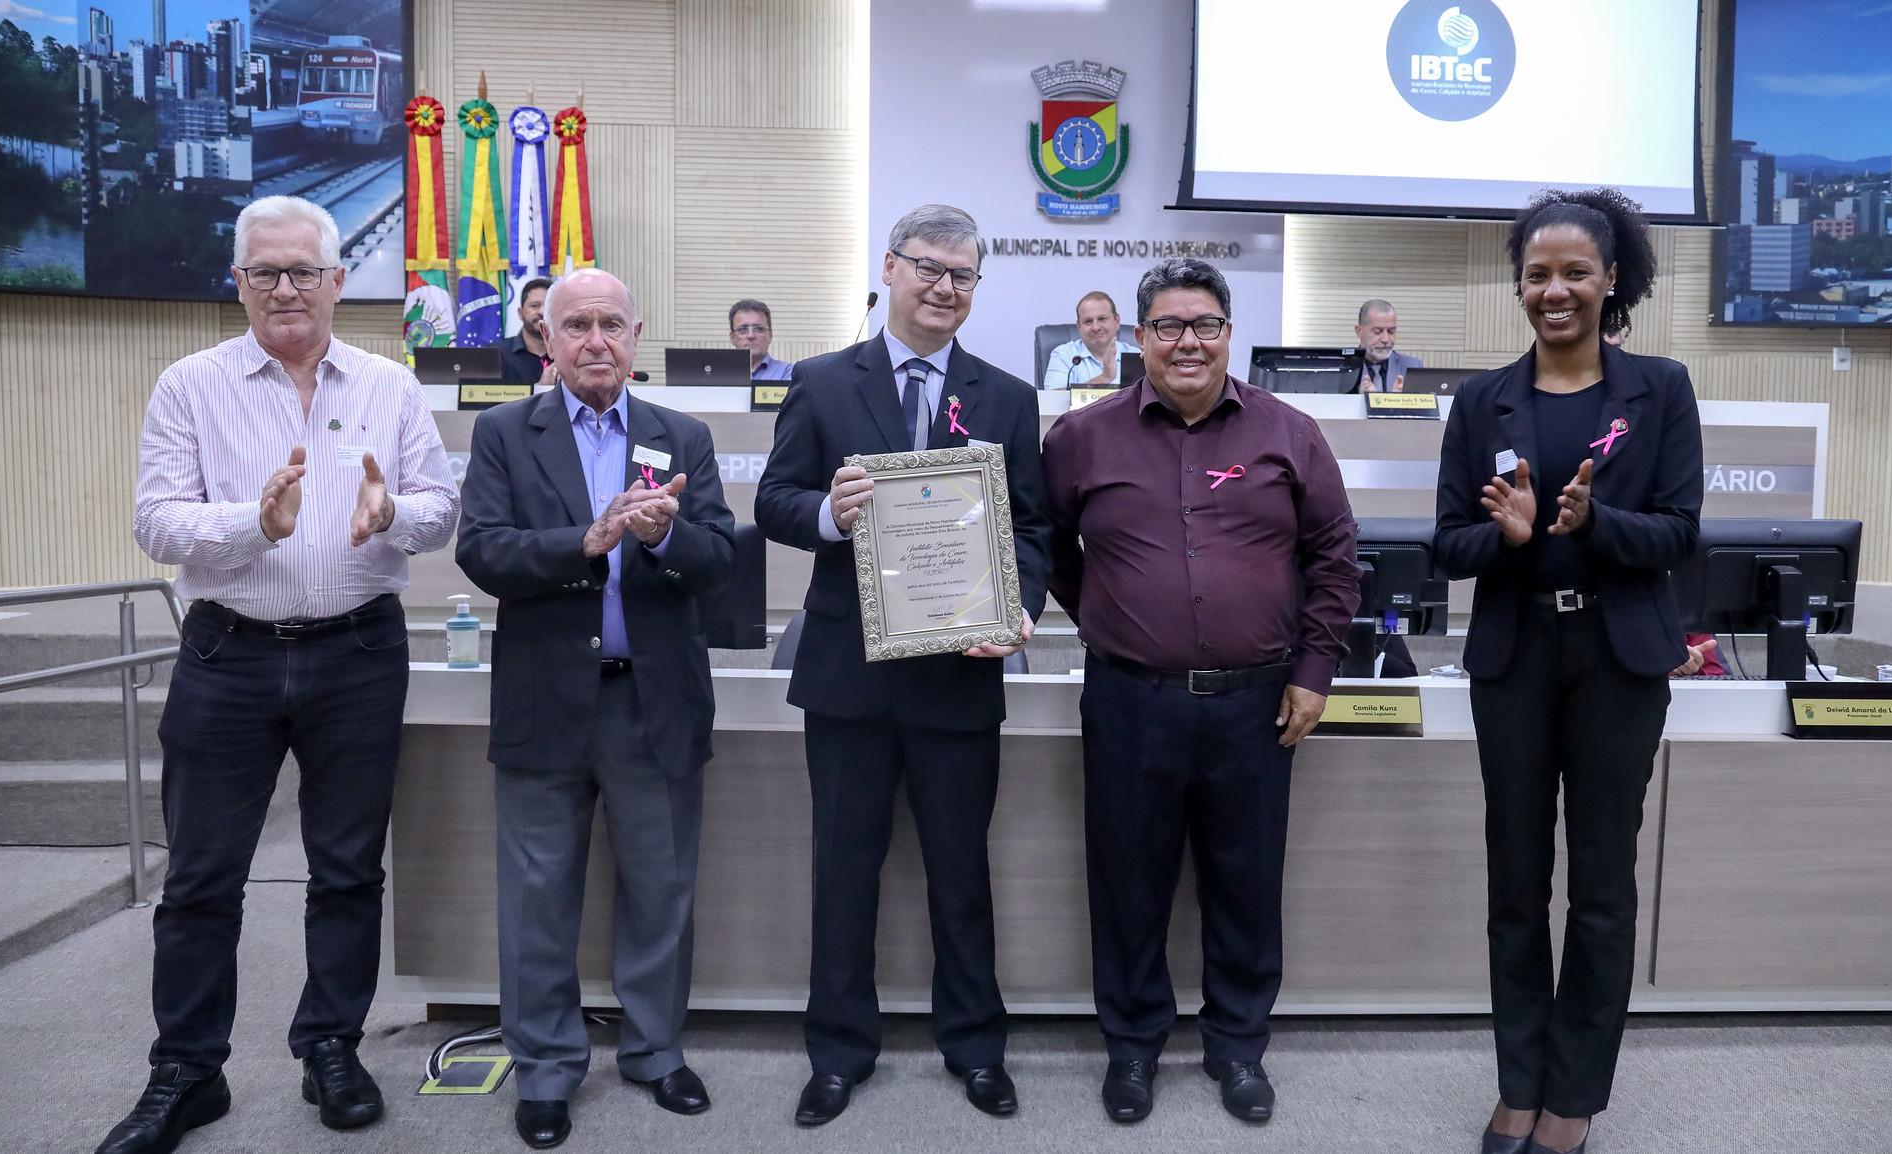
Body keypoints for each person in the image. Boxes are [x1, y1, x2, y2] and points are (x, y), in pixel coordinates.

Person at [108, 195, 459, 1154]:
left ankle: (330, 1046)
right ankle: (187, 1070)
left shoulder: (389, 385)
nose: (285, 288)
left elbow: (439, 507)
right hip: (228, 654)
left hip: (359, 653)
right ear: (238, 282)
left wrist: (392, 514)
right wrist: (251, 524)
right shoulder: (190, 384)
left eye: (303, 270)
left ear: (339, 280)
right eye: (264, 272)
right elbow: (156, 522)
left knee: (347, 871)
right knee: (200, 876)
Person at [1043, 258, 1362, 1126]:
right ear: (1139, 336)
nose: (1188, 342)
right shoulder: (1080, 437)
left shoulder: (1289, 433)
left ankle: (1237, 1047)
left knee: (1245, 881)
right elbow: (1052, 547)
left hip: (1255, 706)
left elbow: (1334, 560)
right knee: (1127, 880)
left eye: (1205, 325)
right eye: (1169, 326)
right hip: (1127, 700)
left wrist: (1314, 672)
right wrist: (1111, 613)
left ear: (1228, 332)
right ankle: (1132, 1047)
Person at [755, 203, 1050, 1127]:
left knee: (961, 874)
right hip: (850, 676)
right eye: (929, 267)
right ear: (889, 268)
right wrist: (827, 513)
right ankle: (838, 1052)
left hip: (959, 670)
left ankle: (976, 1048)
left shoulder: (1007, 397)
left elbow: (1032, 527)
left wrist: (1020, 605)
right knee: (844, 874)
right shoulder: (820, 381)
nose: (944, 288)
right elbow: (773, 500)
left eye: (962, 275)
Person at [1434, 188, 1702, 1154]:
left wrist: (1596, 523)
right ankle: (1518, 1083)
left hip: (1615, 661)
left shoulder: (1659, 389)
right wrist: (1504, 539)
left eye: (1574, 273)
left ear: (1610, 279)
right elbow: (1446, 545)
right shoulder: (1481, 401)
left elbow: (1678, 532)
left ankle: (1573, 1096)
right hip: (1513, 660)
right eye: (1537, 274)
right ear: (1520, 284)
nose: (1554, 290)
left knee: (1599, 886)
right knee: (1514, 882)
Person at [455, 268, 736, 1151]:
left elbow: (718, 557)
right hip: (545, 699)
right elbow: (482, 551)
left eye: (611, 323)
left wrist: (662, 535)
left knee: (661, 888)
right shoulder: (505, 432)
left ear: (636, 335)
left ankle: (654, 1052)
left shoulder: (680, 435)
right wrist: (585, 542)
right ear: (546, 338)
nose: (595, 340)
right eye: (575, 324)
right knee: (537, 896)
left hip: (653, 702)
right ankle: (545, 1069)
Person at [1043, 290, 1141, 389]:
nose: (1095, 327)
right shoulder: (1063, 355)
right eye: (1088, 321)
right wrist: (1104, 378)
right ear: (1079, 326)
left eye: (1102, 319)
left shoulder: (1137, 356)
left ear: (1117, 321)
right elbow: (1052, 396)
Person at [1353, 298, 1422, 392]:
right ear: (1359, 331)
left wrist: (1400, 400)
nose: (1386, 339)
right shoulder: (1342, 367)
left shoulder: (1412, 366)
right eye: (1377, 331)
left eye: (1391, 331)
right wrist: (1359, 399)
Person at [498, 277, 555, 384]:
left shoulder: (567, 353)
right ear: (520, 312)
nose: (542, 312)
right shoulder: (498, 354)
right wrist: (540, 388)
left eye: (548, 307)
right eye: (535, 306)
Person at [729, 298, 794, 381]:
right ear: (732, 337)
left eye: (758, 329)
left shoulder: (788, 373)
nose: (751, 335)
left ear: (770, 335)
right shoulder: (719, 374)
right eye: (743, 329)